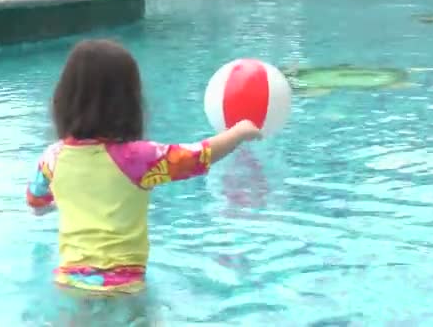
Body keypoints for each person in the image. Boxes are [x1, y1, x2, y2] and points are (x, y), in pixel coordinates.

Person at [26, 39, 262, 325]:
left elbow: (36, 202)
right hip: (124, 287)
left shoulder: (52, 157)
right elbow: (198, 156)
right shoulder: (138, 158)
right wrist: (238, 133)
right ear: (128, 102)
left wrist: (62, 201)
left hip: (70, 285)